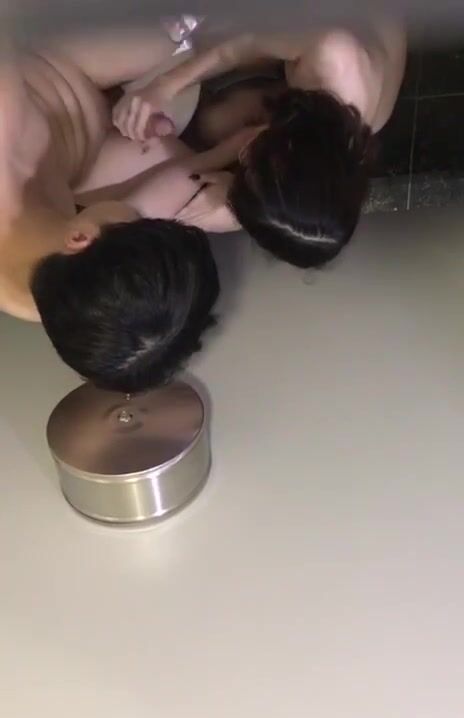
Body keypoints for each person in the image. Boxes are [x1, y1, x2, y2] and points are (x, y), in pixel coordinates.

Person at [0, 22, 246, 394]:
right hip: (76, 160)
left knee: (175, 35)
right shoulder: (62, 302)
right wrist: (229, 157)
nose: (141, 213)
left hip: (48, 61)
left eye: (140, 221)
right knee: (220, 200)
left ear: (80, 238)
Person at [114, 18, 406, 268]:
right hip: (333, 22)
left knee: (214, 123)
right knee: (212, 91)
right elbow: (242, 45)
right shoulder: (332, 54)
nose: (242, 155)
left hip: (318, 55)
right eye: (251, 164)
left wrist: (236, 207)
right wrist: (164, 86)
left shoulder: (341, 154)